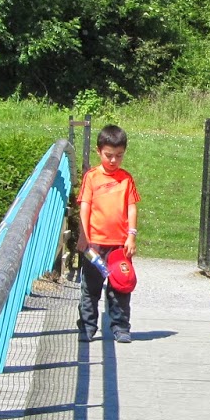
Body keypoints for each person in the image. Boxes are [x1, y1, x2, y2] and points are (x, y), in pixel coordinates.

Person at [76, 124, 139, 343]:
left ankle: (121, 327)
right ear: (99, 151)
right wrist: (83, 236)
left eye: (119, 156)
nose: (113, 160)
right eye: (108, 155)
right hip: (94, 243)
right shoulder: (92, 177)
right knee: (90, 288)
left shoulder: (126, 179)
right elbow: (85, 206)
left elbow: (131, 207)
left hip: (119, 245)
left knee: (120, 287)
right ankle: (87, 327)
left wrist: (131, 235)